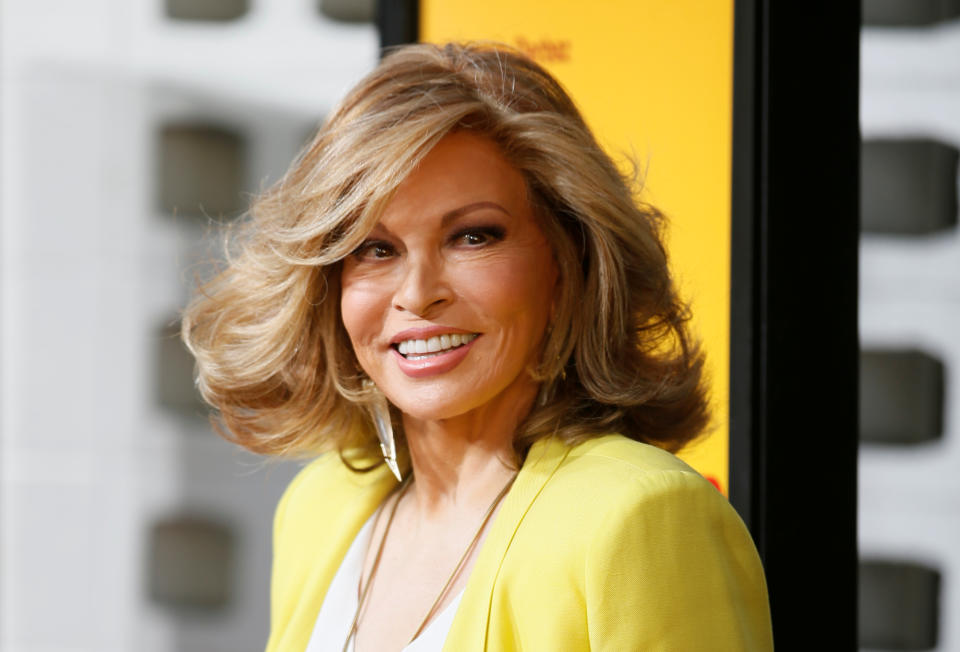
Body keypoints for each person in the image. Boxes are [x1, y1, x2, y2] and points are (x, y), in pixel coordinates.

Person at [182, 42, 773, 651]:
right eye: (375, 249)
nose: (417, 294)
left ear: (569, 263)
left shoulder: (641, 519)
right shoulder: (319, 505)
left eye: (472, 237)